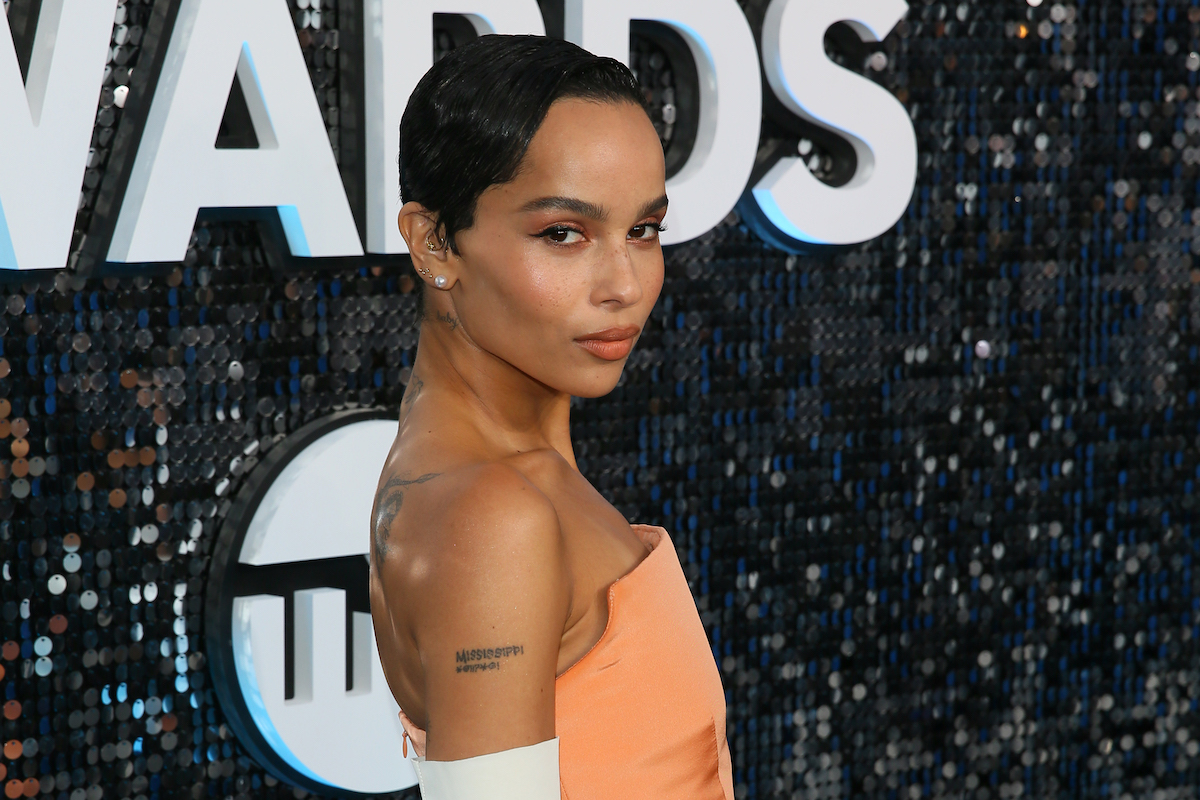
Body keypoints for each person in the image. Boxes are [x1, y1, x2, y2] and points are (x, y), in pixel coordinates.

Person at [368, 34, 733, 800]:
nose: (625, 285)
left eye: (644, 230)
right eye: (563, 234)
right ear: (434, 242)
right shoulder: (493, 516)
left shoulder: (502, 485)